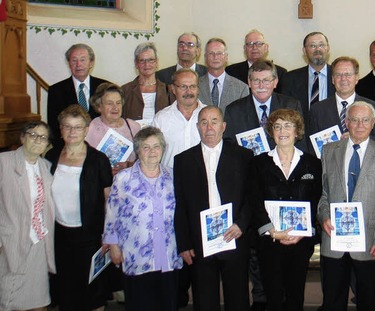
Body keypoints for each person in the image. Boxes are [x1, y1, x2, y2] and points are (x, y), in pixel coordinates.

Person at [318, 101, 375, 311]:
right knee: (332, 299)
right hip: (334, 237)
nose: (359, 125)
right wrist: (324, 216)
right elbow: (324, 193)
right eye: (354, 120)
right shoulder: (329, 150)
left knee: (367, 299)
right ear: (346, 123)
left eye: (365, 120)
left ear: (373, 123)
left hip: (369, 241)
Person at [174, 106, 254, 311]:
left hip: (234, 236)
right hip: (200, 242)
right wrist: (184, 244)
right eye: (203, 122)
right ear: (197, 127)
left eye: (214, 121)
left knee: (238, 299)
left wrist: (241, 224)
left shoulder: (244, 156)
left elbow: (252, 196)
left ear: (224, 126)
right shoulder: (182, 160)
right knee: (204, 300)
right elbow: (180, 204)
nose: (209, 127)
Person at [248, 108, 322, 311]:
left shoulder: (312, 164)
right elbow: (254, 200)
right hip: (270, 241)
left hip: (300, 242)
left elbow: (317, 200)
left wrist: (303, 232)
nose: (282, 131)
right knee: (273, 297)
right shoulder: (258, 163)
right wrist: (272, 231)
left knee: (295, 295)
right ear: (271, 132)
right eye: (277, 126)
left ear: (297, 131)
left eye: (288, 125)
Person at [103, 127, 183, 311]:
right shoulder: (123, 178)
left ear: (163, 149)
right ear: (137, 151)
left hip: (168, 255)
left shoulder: (173, 176)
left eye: (156, 146)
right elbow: (112, 213)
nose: (152, 151)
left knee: (168, 305)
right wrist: (113, 246)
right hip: (136, 255)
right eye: (146, 147)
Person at [45, 105, 112, 311]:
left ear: (86, 130)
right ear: (60, 129)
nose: (72, 132)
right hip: (60, 236)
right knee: (67, 292)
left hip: (90, 237)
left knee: (92, 293)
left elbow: (109, 199)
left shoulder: (99, 160)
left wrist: (109, 234)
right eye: (67, 127)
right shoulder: (51, 156)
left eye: (78, 127)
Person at [0, 121, 56, 311]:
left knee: (38, 301)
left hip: (38, 242)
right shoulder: (4, 162)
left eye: (43, 137)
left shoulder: (46, 168)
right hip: (10, 242)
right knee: (9, 299)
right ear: (23, 137)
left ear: (47, 143)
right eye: (32, 135)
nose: (37, 140)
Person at [224, 60, 306, 152]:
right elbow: (229, 146)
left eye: (266, 81)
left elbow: (300, 142)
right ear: (249, 82)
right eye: (256, 81)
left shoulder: (291, 106)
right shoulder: (234, 111)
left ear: (275, 82)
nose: (261, 86)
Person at [309, 56, 375, 145]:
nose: (343, 79)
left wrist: (359, 138)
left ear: (356, 78)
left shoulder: (374, 108)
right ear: (332, 79)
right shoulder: (317, 110)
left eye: (348, 75)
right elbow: (312, 146)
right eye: (338, 75)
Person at [48, 43, 111, 144]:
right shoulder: (56, 90)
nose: (78, 65)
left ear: (91, 63)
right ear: (69, 63)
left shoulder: (105, 87)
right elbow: (54, 126)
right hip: (69, 146)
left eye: (82, 60)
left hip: (101, 145)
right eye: (74, 60)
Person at [152, 68, 205, 168]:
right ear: (173, 89)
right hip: (170, 181)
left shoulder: (210, 116)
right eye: (183, 87)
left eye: (193, 86)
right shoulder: (161, 118)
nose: (188, 91)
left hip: (203, 180)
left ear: (198, 89)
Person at [280, 31, 335, 123]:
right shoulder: (289, 79)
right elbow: (286, 112)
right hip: (301, 134)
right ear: (304, 51)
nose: (318, 49)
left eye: (321, 45)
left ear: (328, 48)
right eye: (312, 46)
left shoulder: (339, 77)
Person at [86, 83, 141, 174]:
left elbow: (144, 159)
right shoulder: (90, 129)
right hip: (102, 184)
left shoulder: (134, 127)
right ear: (99, 107)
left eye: (118, 103)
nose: (115, 108)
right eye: (109, 103)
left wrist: (128, 165)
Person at [121, 42, 171, 124]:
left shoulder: (168, 90)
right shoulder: (125, 90)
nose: (147, 64)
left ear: (156, 62)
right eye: (142, 61)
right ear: (136, 64)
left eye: (151, 60)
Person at [197, 37, 249, 113]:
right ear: (205, 57)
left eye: (219, 53)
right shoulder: (195, 85)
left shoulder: (241, 88)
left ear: (226, 57)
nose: (215, 57)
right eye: (211, 53)